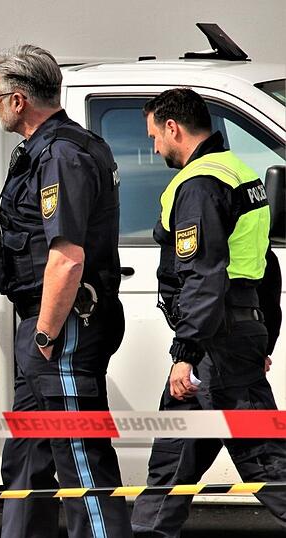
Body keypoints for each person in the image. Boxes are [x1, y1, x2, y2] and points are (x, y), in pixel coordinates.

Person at [0, 45, 132, 538]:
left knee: (80, 459)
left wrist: (45, 335)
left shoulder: (62, 153)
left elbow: (67, 257)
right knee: (26, 457)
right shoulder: (51, 148)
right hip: (47, 325)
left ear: (18, 99)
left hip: (64, 324)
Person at [131, 88, 286, 536]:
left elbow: (204, 275)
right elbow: (265, 268)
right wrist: (264, 337)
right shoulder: (241, 173)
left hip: (215, 345)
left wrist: (186, 351)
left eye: (154, 136)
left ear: (173, 128)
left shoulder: (199, 184)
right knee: (172, 460)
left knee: (266, 463)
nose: (154, 146)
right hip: (232, 335)